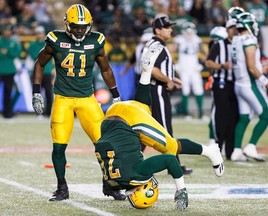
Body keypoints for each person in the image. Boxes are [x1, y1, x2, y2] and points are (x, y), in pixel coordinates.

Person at [95, 43, 224, 210]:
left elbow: (170, 161)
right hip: (109, 118)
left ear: (143, 188)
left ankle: (210, 151)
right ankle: (146, 73)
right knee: (144, 108)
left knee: (170, 147)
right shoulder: (112, 183)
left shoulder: (138, 174)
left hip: (129, 119)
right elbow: (107, 180)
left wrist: (181, 190)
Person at [31, 4, 121, 201]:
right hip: (63, 99)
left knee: (105, 144)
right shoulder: (55, 39)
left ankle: (111, 184)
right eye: (76, 26)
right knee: (59, 146)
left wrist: (116, 95)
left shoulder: (96, 41)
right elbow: (40, 63)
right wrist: (36, 92)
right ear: (67, 24)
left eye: (83, 27)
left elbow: (105, 69)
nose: (80, 30)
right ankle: (62, 187)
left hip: (87, 99)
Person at [145, 15, 192, 175]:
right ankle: (175, 166)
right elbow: (153, 69)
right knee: (165, 129)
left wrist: (172, 79)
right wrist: (168, 81)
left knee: (148, 129)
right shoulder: (157, 46)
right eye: (167, 27)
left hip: (154, 88)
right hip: (157, 89)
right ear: (158, 30)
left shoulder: (155, 44)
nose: (171, 29)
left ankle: (132, 160)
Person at [231, 12, 268, 162]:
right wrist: (266, 82)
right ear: (249, 25)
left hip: (239, 84)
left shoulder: (236, 39)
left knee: (244, 118)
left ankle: (236, 151)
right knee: (266, 115)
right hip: (249, 84)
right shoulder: (249, 39)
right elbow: (251, 66)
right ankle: (251, 146)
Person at [205, 18, 239, 160]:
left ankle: (231, 150)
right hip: (221, 84)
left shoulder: (241, 45)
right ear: (227, 30)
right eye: (231, 27)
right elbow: (208, 62)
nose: (234, 30)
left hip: (236, 85)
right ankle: (218, 147)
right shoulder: (219, 45)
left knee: (235, 118)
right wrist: (222, 66)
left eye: (236, 28)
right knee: (221, 117)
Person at [173, 21, 207, 119]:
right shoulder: (179, 39)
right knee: (185, 90)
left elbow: (204, 52)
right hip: (184, 68)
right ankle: (186, 113)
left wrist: (206, 60)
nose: (189, 34)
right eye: (187, 32)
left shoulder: (197, 39)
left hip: (194, 68)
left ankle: (201, 113)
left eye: (190, 32)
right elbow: (171, 49)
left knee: (198, 89)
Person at [26, 25, 54, 117]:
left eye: (41, 33)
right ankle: (38, 112)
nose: (39, 35)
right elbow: (36, 56)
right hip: (37, 72)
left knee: (48, 92)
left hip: (47, 71)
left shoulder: (48, 44)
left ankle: (48, 112)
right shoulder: (33, 44)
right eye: (37, 33)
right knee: (37, 93)